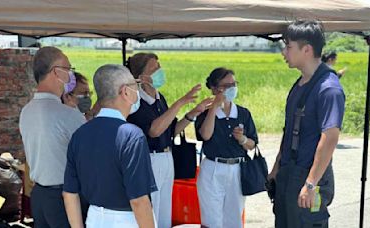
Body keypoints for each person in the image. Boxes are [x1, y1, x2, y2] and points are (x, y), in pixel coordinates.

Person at [268, 20, 345, 228]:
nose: (284, 53)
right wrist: (277, 167)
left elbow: (329, 138)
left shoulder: (329, 89)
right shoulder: (300, 84)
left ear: (307, 50)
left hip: (308, 177)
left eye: (289, 47)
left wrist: (311, 184)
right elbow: (291, 129)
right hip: (288, 173)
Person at [63, 64, 157, 228]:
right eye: (136, 86)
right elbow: (139, 200)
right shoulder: (131, 135)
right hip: (127, 220)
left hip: (94, 218)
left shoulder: (80, 134)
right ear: (125, 92)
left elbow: (69, 193)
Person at [126, 53, 212, 228]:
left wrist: (193, 113)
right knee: (152, 208)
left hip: (166, 157)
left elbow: (171, 130)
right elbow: (155, 130)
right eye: (154, 69)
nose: (160, 71)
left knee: (165, 208)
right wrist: (180, 102)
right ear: (142, 77)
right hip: (149, 159)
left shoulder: (160, 98)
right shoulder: (136, 103)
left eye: (159, 66)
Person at [19, 46, 86, 228]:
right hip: (65, 197)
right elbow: (90, 151)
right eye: (68, 69)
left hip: (39, 195)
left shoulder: (26, 110)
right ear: (56, 72)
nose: (71, 75)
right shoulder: (67, 114)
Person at [194, 67, 258, 228]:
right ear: (215, 88)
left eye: (234, 84)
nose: (232, 88)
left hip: (237, 169)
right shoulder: (205, 113)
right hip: (212, 168)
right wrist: (214, 108)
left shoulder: (243, 113)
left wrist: (242, 139)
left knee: (234, 219)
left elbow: (253, 144)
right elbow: (205, 135)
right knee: (211, 220)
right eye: (226, 85)